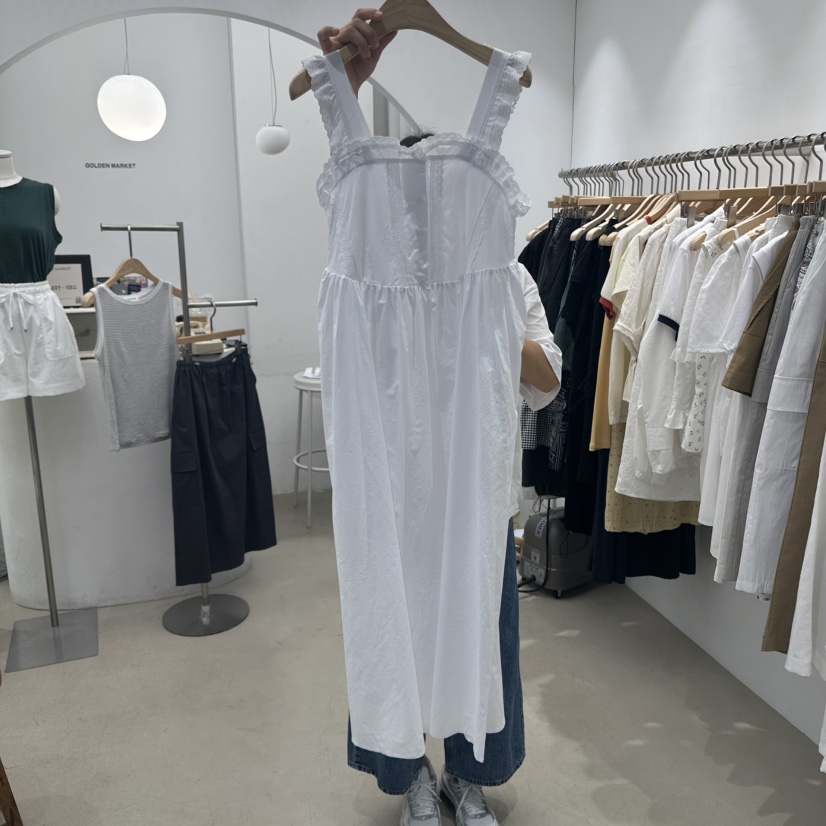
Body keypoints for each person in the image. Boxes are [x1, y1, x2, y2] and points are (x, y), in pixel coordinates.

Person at [316, 10, 561, 825]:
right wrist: (346, 82)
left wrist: (486, 322)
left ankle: (467, 775)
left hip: (468, 466)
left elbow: (548, 378)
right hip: (383, 454)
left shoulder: (508, 276)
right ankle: (409, 774)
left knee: (476, 619)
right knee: (385, 608)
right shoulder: (358, 210)